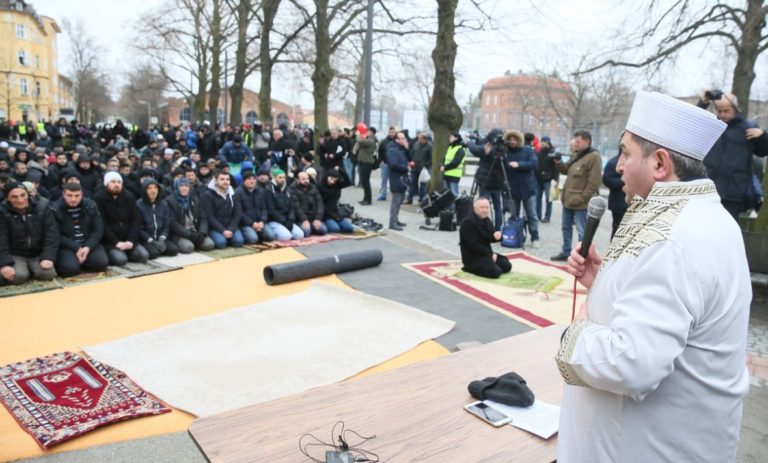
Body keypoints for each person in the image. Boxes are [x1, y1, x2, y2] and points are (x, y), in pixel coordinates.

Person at [556, 91, 750, 462]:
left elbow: (632, 363)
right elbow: (665, 307)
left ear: (660, 163)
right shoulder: (701, 218)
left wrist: (570, 336)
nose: (618, 167)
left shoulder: (676, 238)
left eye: (627, 153)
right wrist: (602, 284)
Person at [696, 91, 768, 219]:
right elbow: (693, 122)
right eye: (719, 111)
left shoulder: (747, 128)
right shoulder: (711, 125)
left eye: (726, 111)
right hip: (707, 190)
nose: (722, 114)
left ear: (735, 109)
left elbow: (763, 152)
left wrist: (762, 136)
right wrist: (703, 102)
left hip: (733, 193)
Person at [550, 130, 602, 261]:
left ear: (587, 141)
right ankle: (566, 252)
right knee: (566, 227)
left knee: (582, 231)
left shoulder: (593, 156)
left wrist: (583, 198)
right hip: (568, 199)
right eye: (575, 141)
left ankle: (581, 255)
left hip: (581, 202)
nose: (575, 144)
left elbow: (594, 181)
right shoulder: (577, 154)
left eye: (578, 142)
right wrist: (558, 162)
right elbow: (566, 170)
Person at [0, 182, 59, 285]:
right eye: (14, 197)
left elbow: (51, 233)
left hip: (37, 252)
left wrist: (48, 257)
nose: (20, 200)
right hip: (15, 253)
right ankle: (23, 269)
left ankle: (31, 268)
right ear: (7, 199)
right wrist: (4, 264)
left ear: (28, 194)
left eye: (23, 195)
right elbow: (1, 239)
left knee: (48, 274)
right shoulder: (2, 211)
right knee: (18, 277)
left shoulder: (43, 206)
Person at [51, 182, 108, 277]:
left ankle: (81, 260)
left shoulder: (90, 205)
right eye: (70, 195)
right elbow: (56, 234)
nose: (73, 199)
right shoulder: (55, 208)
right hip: (67, 246)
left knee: (101, 264)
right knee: (69, 270)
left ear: (82, 195)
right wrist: (76, 248)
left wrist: (87, 247)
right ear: (63, 194)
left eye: (77, 196)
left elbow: (98, 229)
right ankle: (75, 262)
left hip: (88, 243)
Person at [95, 172, 150, 266]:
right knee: (121, 260)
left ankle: (126, 251)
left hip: (128, 238)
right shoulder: (98, 198)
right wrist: (116, 242)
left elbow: (136, 220)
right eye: (113, 182)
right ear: (106, 184)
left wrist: (130, 240)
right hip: (111, 241)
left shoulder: (129, 196)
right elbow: (102, 224)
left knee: (143, 256)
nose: (116, 184)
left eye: (119, 182)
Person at [503, 130, 540, 248]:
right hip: (512, 189)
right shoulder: (505, 152)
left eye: (514, 139)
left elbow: (534, 164)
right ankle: (514, 235)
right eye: (510, 139)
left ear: (519, 140)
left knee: (532, 215)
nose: (512, 142)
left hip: (528, 188)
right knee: (513, 214)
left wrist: (519, 165)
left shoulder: (528, 150)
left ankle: (535, 237)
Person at [459, 197, 511, 278]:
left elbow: (490, 237)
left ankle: (489, 263)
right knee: (496, 272)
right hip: (473, 257)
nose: (485, 210)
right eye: (482, 207)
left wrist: (497, 237)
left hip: (486, 254)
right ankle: (469, 268)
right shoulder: (467, 223)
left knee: (507, 265)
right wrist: (490, 254)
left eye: (486, 207)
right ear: (475, 208)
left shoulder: (486, 219)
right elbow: (473, 245)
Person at [166, 177, 215, 253]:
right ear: (176, 187)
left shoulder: (194, 199)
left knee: (209, 245)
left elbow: (203, 217)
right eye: (181, 186)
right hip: (180, 234)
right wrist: (189, 235)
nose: (184, 188)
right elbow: (173, 223)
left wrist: (202, 232)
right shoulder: (170, 201)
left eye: (186, 186)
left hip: (195, 231)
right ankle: (191, 242)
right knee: (188, 247)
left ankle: (196, 241)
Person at [469, 128, 505, 230]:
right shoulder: (498, 148)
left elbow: (474, 149)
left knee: (483, 206)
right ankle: (497, 228)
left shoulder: (488, 148)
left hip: (486, 182)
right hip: (495, 183)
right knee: (497, 207)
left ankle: (483, 227)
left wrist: (471, 143)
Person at [201, 170, 244, 249]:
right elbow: (210, 217)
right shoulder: (207, 195)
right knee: (221, 243)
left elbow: (237, 213)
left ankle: (229, 237)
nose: (225, 182)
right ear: (215, 180)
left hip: (230, 226)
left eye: (227, 179)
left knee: (239, 241)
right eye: (222, 179)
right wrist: (223, 230)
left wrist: (231, 228)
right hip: (215, 228)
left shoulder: (233, 193)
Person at [136, 179, 179, 259]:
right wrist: (151, 241)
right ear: (144, 190)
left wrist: (162, 238)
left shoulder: (164, 204)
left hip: (160, 237)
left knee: (173, 250)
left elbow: (167, 224)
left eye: (155, 188)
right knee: (153, 254)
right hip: (146, 239)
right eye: (149, 188)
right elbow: (139, 228)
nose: (153, 191)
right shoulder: (139, 205)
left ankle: (159, 247)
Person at [264, 169, 304, 240]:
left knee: (300, 235)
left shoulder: (288, 190)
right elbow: (271, 209)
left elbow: (292, 207)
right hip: (274, 220)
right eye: (280, 177)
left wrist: (290, 220)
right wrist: (283, 221)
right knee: (286, 237)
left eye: (284, 177)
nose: (282, 179)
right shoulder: (268, 190)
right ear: (274, 178)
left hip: (287, 219)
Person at [235, 170, 271, 243]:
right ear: (244, 181)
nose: (252, 181)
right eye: (249, 179)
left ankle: (259, 233)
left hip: (259, 222)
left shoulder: (260, 191)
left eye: (254, 179)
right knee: (253, 239)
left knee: (271, 236)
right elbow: (239, 212)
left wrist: (262, 221)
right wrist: (252, 223)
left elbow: (264, 209)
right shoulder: (238, 192)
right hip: (245, 224)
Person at [290, 171, 327, 236]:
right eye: (303, 179)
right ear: (297, 180)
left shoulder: (314, 188)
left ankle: (312, 227)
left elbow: (320, 203)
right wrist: (304, 219)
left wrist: (318, 218)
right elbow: (296, 207)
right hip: (300, 219)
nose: (306, 181)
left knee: (323, 230)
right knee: (306, 232)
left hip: (313, 217)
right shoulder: (292, 189)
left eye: (307, 179)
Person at [317, 169, 354, 233]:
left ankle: (336, 225)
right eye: (331, 179)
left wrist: (341, 170)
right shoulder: (320, 186)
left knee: (349, 228)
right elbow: (321, 205)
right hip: (326, 215)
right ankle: (327, 225)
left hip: (336, 213)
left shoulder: (336, 185)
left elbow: (348, 182)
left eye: (334, 180)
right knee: (335, 229)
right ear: (327, 176)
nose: (332, 181)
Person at [387, 131, 410, 230]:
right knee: (396, 201)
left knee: (400, 200)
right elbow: (393, 164)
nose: (404, 140)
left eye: (404, 138)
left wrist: (407, 149)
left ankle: (396, 219)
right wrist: (406, 168)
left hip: (402, 179)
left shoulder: (402, 149)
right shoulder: (392, 150)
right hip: (396, 179)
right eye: (402, 138)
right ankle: (392, 222)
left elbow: (410, 158)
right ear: (397, 140)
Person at [602, 151, 627, 239]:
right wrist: (623, 181)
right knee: (617, 230)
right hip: (618, 205)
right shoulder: (613, 162)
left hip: (632, 204)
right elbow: (606, 179)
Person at [535, 136, 558, 223]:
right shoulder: (539, 152)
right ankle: (538, 216)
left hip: (549, 179)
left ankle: (547, 217)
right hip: (539, 179)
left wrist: (555, 179)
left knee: (549, 199)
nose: (542, 143)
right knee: (538, 198)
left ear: (548, 142)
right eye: (541, 142)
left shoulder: (553, 152)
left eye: (543, 142)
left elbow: (556, 167)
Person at [407, 132, 432, 205]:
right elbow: (412, 153)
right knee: (412, 183)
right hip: (414, 167)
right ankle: (409, 199)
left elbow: (432, 158)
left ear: (424, 139)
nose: (418, 140)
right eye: (418, 138)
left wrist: (426, 165)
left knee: (423, 185)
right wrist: (411, 161)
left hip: (423, 169)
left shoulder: (429, 146)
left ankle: (422, 200)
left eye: (420, 138)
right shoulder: (416, 144)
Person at [440, 132, 466, 200]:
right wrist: (442, 166)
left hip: (454, 175)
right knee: (447, 194)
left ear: (456, 138)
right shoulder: (450, 147)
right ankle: (449, 209)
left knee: (454, 194)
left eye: (451, 137)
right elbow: (445, 159)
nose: (449, 138)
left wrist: (444, 167)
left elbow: (456, 162)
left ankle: (454, 209)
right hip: (446, 174)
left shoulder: (460, 149)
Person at [356, 129, 377, 205]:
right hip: (363, 162)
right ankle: (365, 198)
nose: (366, 133)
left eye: (368, 131)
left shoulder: (371, 140)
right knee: (364, 182)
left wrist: (359, 134)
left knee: (366, 182)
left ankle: (368, 200)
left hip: (367, 163)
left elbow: (360, 141)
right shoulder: (368, 139)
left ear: (372, 133)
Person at [377, 127, 397, 201]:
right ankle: (383, 194)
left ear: (395, 133)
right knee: (384, 180)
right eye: (390, 132)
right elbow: (380, 151)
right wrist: (381, 161)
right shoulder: (384, 141)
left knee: (394, 180)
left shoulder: (397, 141)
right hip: (385, 163)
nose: (391, 134)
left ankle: (394, 195)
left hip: (395, 164)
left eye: (393, 132)